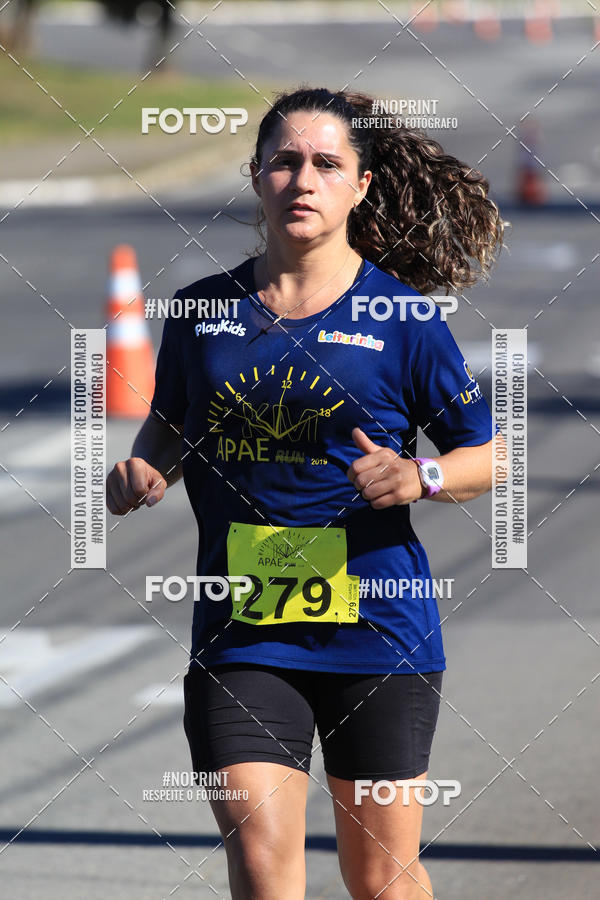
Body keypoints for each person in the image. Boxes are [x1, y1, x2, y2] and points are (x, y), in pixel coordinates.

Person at [107, 87, 505, 900]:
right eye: (285, 162)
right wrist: (147, 466)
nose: (303, 180)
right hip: (244, 632)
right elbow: (172, 424)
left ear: (360, 186)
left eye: (328, 164)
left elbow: (488, 456)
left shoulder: (403, 318)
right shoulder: (202, 311)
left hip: (379, 633)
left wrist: (417, 476)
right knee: (260, 865)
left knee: (383, 879)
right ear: (256, 176)